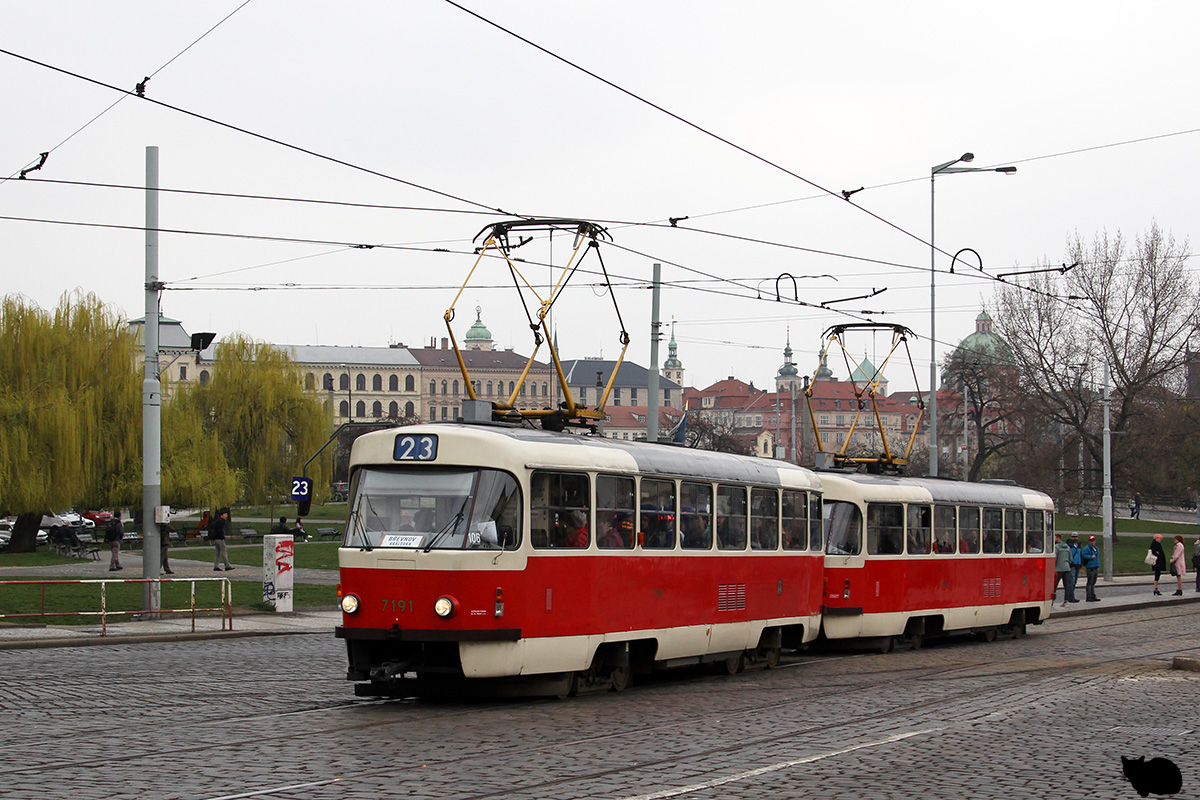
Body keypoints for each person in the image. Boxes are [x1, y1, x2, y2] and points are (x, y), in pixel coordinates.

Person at [1053, 533, 1074, 606]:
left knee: (1054, 586)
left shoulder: (1056, 547)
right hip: (1067, 568)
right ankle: (1066, 601)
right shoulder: (1067, 547)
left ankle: (1052, 601)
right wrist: (1067, 564)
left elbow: (1055, 558)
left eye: (1055, 538)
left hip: (1058, 569)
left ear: (1058, 538)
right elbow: (1071, 559)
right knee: (1067, 586)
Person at [1081, 535, 1101, 602]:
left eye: (1093, 541)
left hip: (1095, 566)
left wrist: (1098, 565)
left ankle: (1093, 595)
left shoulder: (1096, 548)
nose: (1092, 542)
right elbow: (1084, 555)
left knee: (1093, 582)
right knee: (1090, 582)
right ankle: (1089, 596)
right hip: (1090, 567)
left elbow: (1097, 558)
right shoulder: (1087, 548)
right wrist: (1090, 556)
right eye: (1091, 541)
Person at [1067, 533, 1082, 603]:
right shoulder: (1069, 546)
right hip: (1072, 565)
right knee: (1071, 581)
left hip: (1078, 565)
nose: (1075, 538)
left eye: (1076, 537)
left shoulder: (1078, 546)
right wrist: (1071, 563)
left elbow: (1080, 555)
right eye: (1073, 537)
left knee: (1074, 581)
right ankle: (1070, 596)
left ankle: (1071, 595)